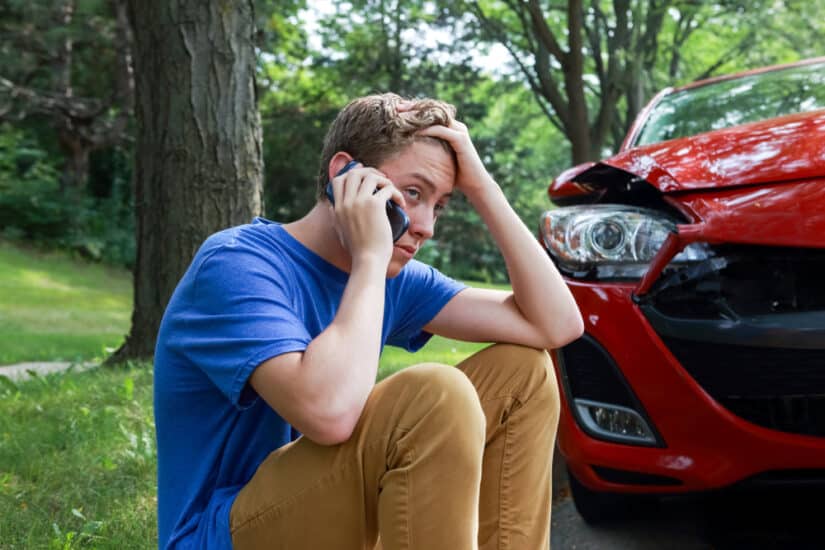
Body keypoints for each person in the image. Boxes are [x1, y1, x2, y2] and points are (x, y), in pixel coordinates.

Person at [154, 93, 584, 550]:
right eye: (414, 194)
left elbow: (557, 325)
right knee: (435, 396)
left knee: (525, 374)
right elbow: (329, 413)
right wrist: (371, 256)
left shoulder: (391, 277)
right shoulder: (237, 264)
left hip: (337, 518)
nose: (426, 226)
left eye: (439, 206)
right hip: (222, 537)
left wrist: (483, 188)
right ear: (345, 175)